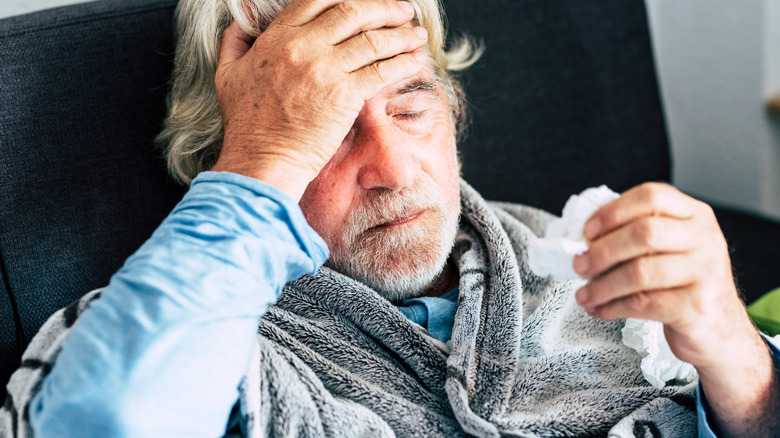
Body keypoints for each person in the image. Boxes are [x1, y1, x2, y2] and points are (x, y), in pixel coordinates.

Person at [1, 0, 778, 436]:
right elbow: (104, 421)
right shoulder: (166, 337)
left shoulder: (572, 254)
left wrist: (736, 359)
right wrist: (260, 166)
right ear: (224, 160)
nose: (396, 171)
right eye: (328, 131)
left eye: (411, 103)